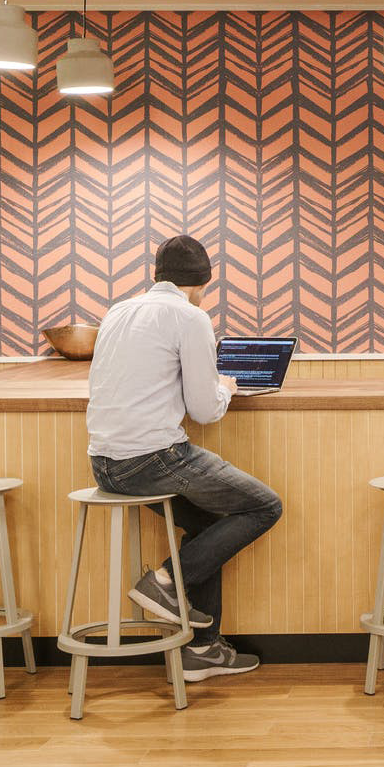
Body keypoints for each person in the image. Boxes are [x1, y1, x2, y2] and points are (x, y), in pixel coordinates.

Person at [87, 234, 284, 680]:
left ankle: (203, 649)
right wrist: (225, 388)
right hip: (153, 460)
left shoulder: (119, 310)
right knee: (265, 506)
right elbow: (204, 410)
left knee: (210, 527)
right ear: (203, 283)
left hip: (104, 465)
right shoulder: (191, 317)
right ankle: (165, 583)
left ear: (158, 274)